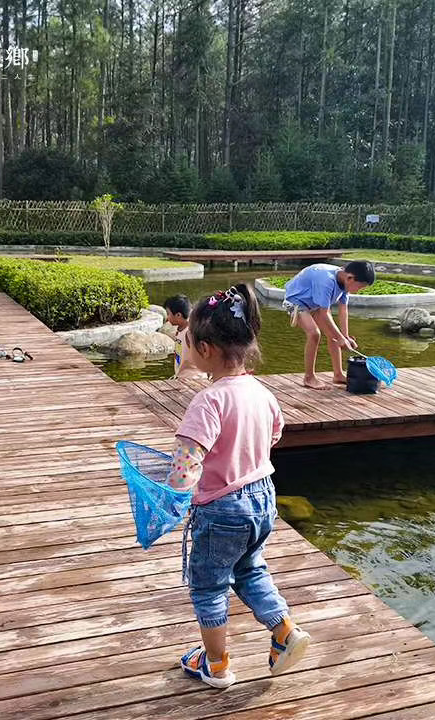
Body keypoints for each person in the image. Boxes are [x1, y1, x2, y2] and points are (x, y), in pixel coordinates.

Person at [168, 283, 309, 689]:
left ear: (206, 349)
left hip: (223, 508)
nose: (186, 347)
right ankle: (284, 632)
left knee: (209, 585)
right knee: (250, 568)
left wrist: (172, 497)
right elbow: (275, 435)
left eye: (188, 342)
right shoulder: (261, 392)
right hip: (263, 498)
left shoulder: (208, 401)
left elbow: (185, 467)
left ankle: (216, 664)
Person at [282, 260, 376, 389]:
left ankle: (338, 374)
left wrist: (345, 336)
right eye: (359, 287)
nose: (358, 291)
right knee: (314, 334)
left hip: (315, 303)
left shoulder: (344, 282)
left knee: (334, 336)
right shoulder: (326, 281)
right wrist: (341, 338)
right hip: (295, 301)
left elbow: (343, 309)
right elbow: (324, 313)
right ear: (350, 278)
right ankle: (309, 378)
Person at [163, 294, 207, 380]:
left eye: (168, 314)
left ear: (178, 315)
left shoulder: (189, 332)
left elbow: (204, 354)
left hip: (194, 379)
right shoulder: (180, 330)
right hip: (182, 377)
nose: (167, 318)